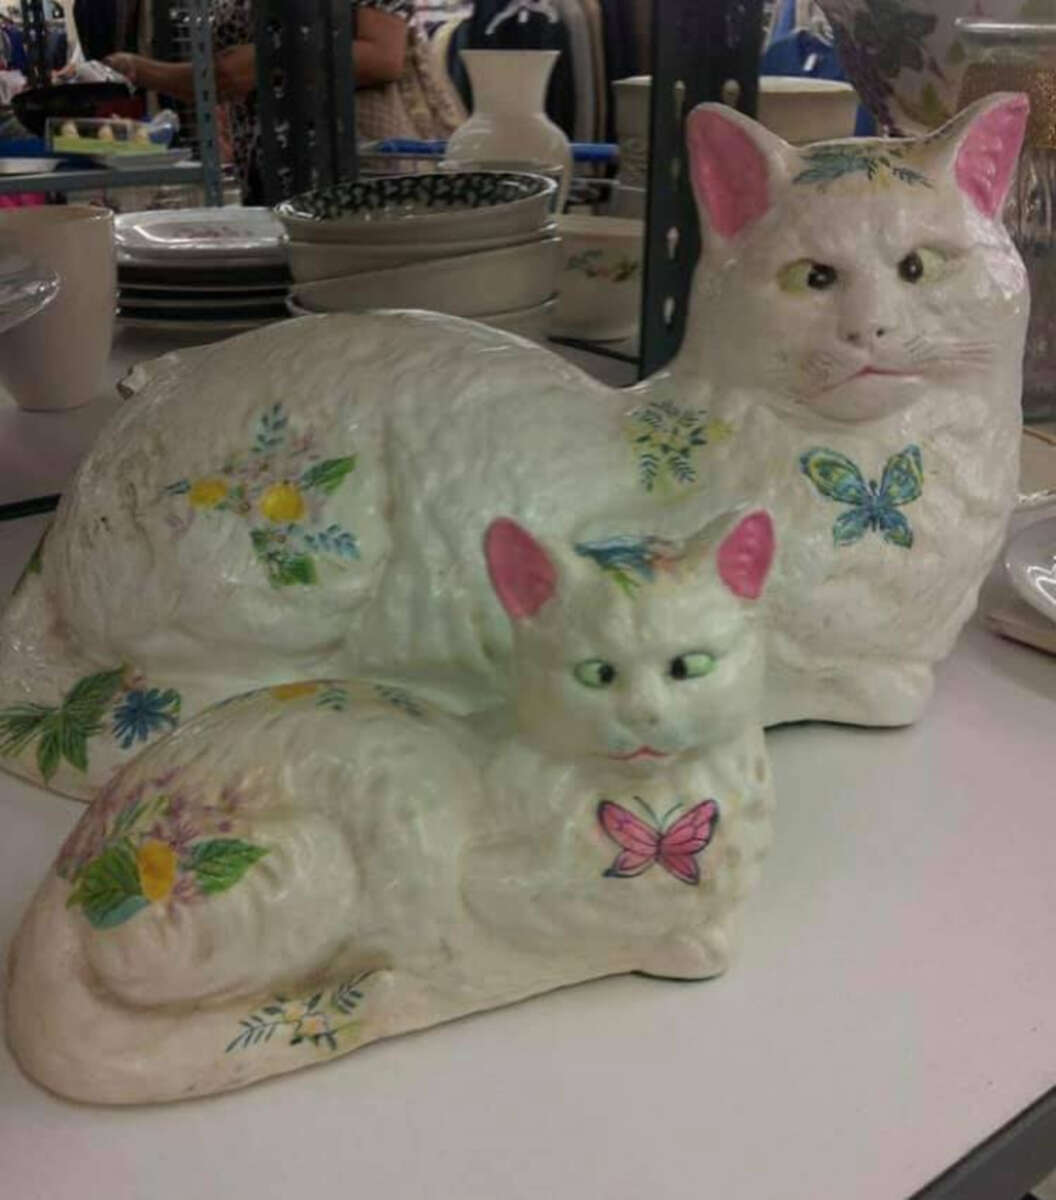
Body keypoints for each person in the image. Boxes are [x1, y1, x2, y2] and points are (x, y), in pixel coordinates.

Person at [105, 0, 462, 199]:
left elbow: (385, 57)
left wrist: (271, 61)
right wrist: (139, 70)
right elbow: (223, 76)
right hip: (265, 175)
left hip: (352, 171)